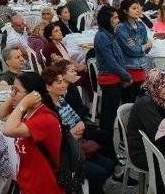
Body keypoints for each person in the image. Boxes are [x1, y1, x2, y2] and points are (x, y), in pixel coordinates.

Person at [42, 65, 113, 194]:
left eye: (63, 81)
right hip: (63, 158)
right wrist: (71, 133)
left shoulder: (61, 99)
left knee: (108, 166)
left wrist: (78, 127)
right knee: (100, 172)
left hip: (75, 146)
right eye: (59, 82)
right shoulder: (47, 108)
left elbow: (77, 118)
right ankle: (75, 186)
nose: (64, 85)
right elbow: (56, 139)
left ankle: (90, 187)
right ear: (47, 87)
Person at [1, 71, 64, 194]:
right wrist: (15, 96)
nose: (12, 94)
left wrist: (23, 103)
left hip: (42, 186)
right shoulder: (28, 112)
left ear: (33, 96)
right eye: (12, 89)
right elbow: (1, 115)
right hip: (28, 183)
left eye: (16, 91)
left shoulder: (44, 118)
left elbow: (8, 130)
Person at [127, 69, 165, 171]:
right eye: (164, 86)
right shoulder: (145, 103)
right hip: (143, 151)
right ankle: (161, 186)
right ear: (154, 85)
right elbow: (158, 131)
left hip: (158, 145)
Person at [115, 0, 151, 97]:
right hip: (128, 68)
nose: (138, 10)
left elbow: (146, 47)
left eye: (138, 8)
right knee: (129, 101)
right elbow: (132, 50)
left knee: (140, 99)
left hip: (141, 66)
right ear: (125, 11)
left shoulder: (141, 25)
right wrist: (144, 47)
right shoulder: (121, 28)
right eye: (134, 8)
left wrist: (143, 47)